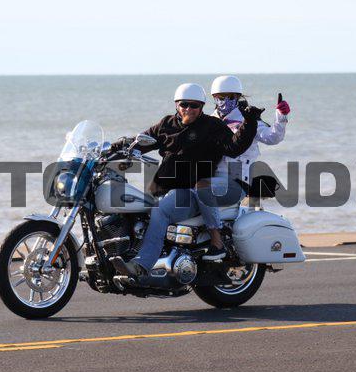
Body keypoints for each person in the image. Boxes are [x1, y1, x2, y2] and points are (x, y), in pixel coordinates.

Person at [110, 83, 261, 277]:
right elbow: (143, 140)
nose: (188, 109)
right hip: (180, 190)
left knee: (201, 186)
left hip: (202, 188)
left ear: (202, 107)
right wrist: (115, 147)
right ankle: (141, 265)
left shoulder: (212, 126)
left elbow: (235, 147)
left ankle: (217, 241)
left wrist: (249, 122)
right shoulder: (166, 124)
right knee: (157, 210)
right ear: (177, 105)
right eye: (184, 104)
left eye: (194, 105)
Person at [196, 75, 291, 261]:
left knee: (201, 187)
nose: (225, 101)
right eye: (220, 97)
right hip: (212, 178)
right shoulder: (209, 120)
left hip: (236, 180)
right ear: (213, 98)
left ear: (238, 97)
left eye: (230, 97)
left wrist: (281, 117)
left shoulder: (248, 119)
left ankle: (217, 241)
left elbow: (273, 137)